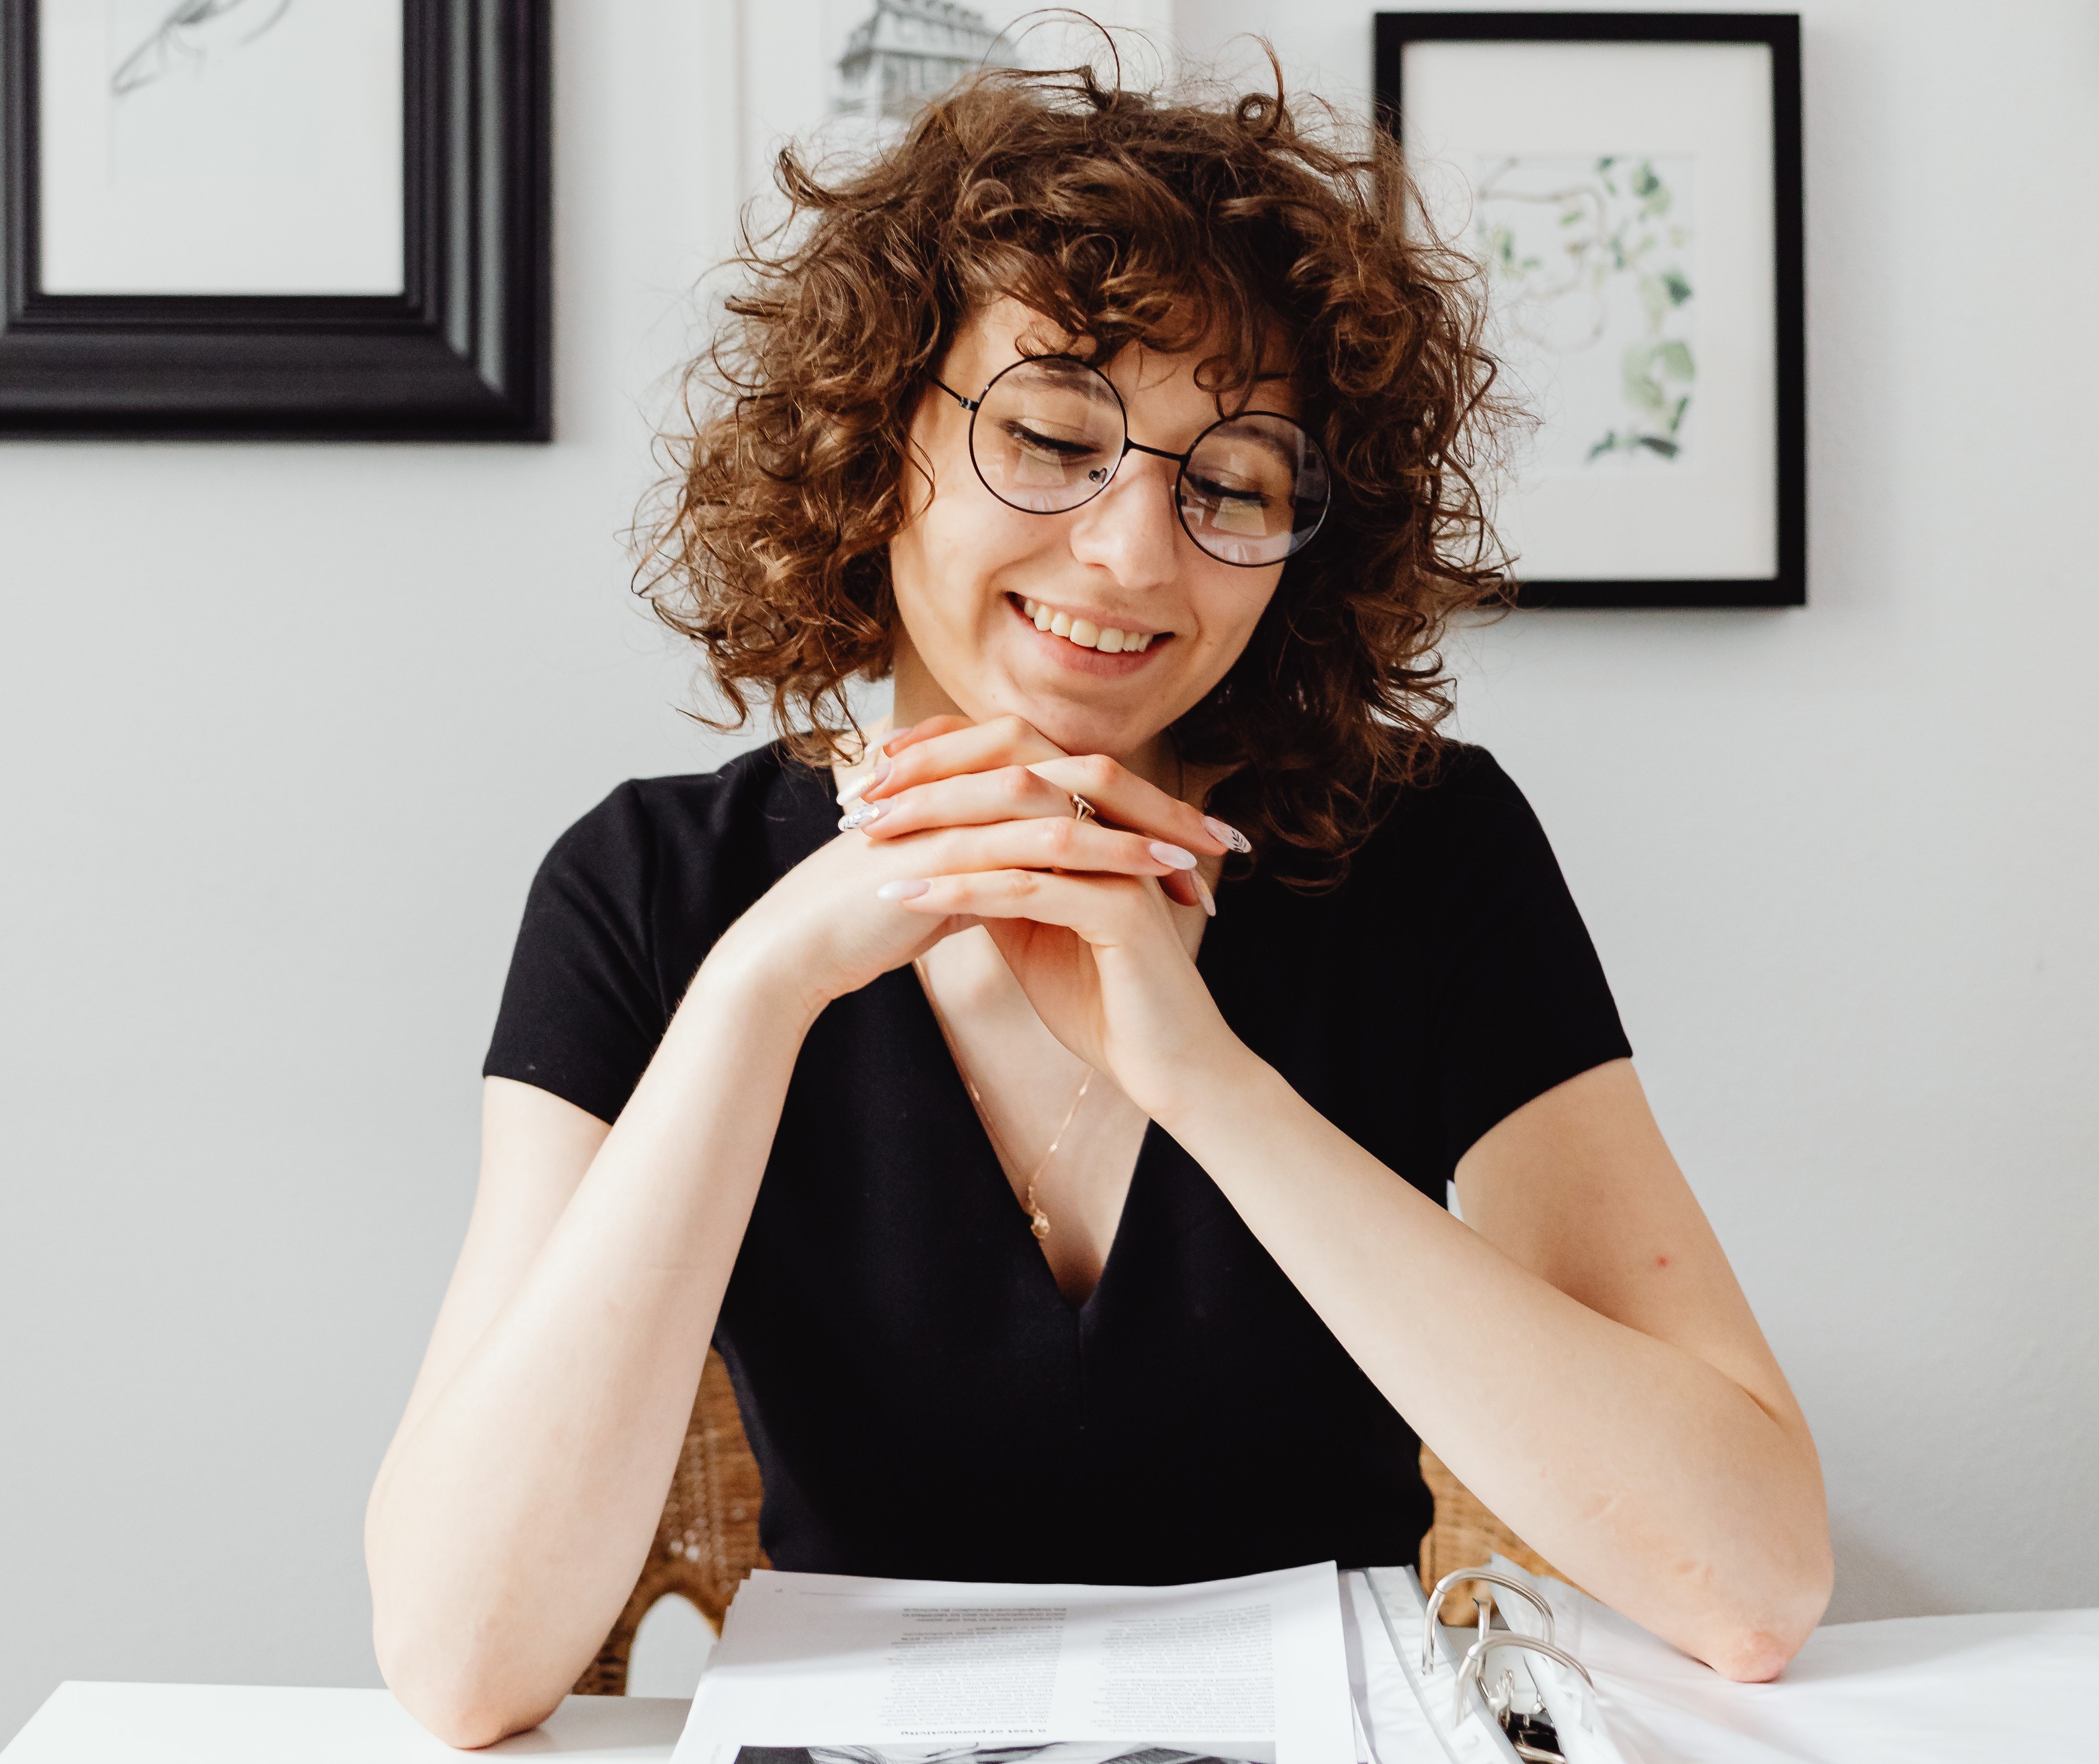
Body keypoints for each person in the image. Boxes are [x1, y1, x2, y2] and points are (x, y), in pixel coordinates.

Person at [364, 58, 1833, 1748]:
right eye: (1055, 436)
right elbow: (462, 1661)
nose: (1139, 552)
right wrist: (763, 985)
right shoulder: (653, 890)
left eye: (1236, 479)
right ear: (876, 438)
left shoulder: (1430, 853)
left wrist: (1208, 1081)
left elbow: (1754, 1576)